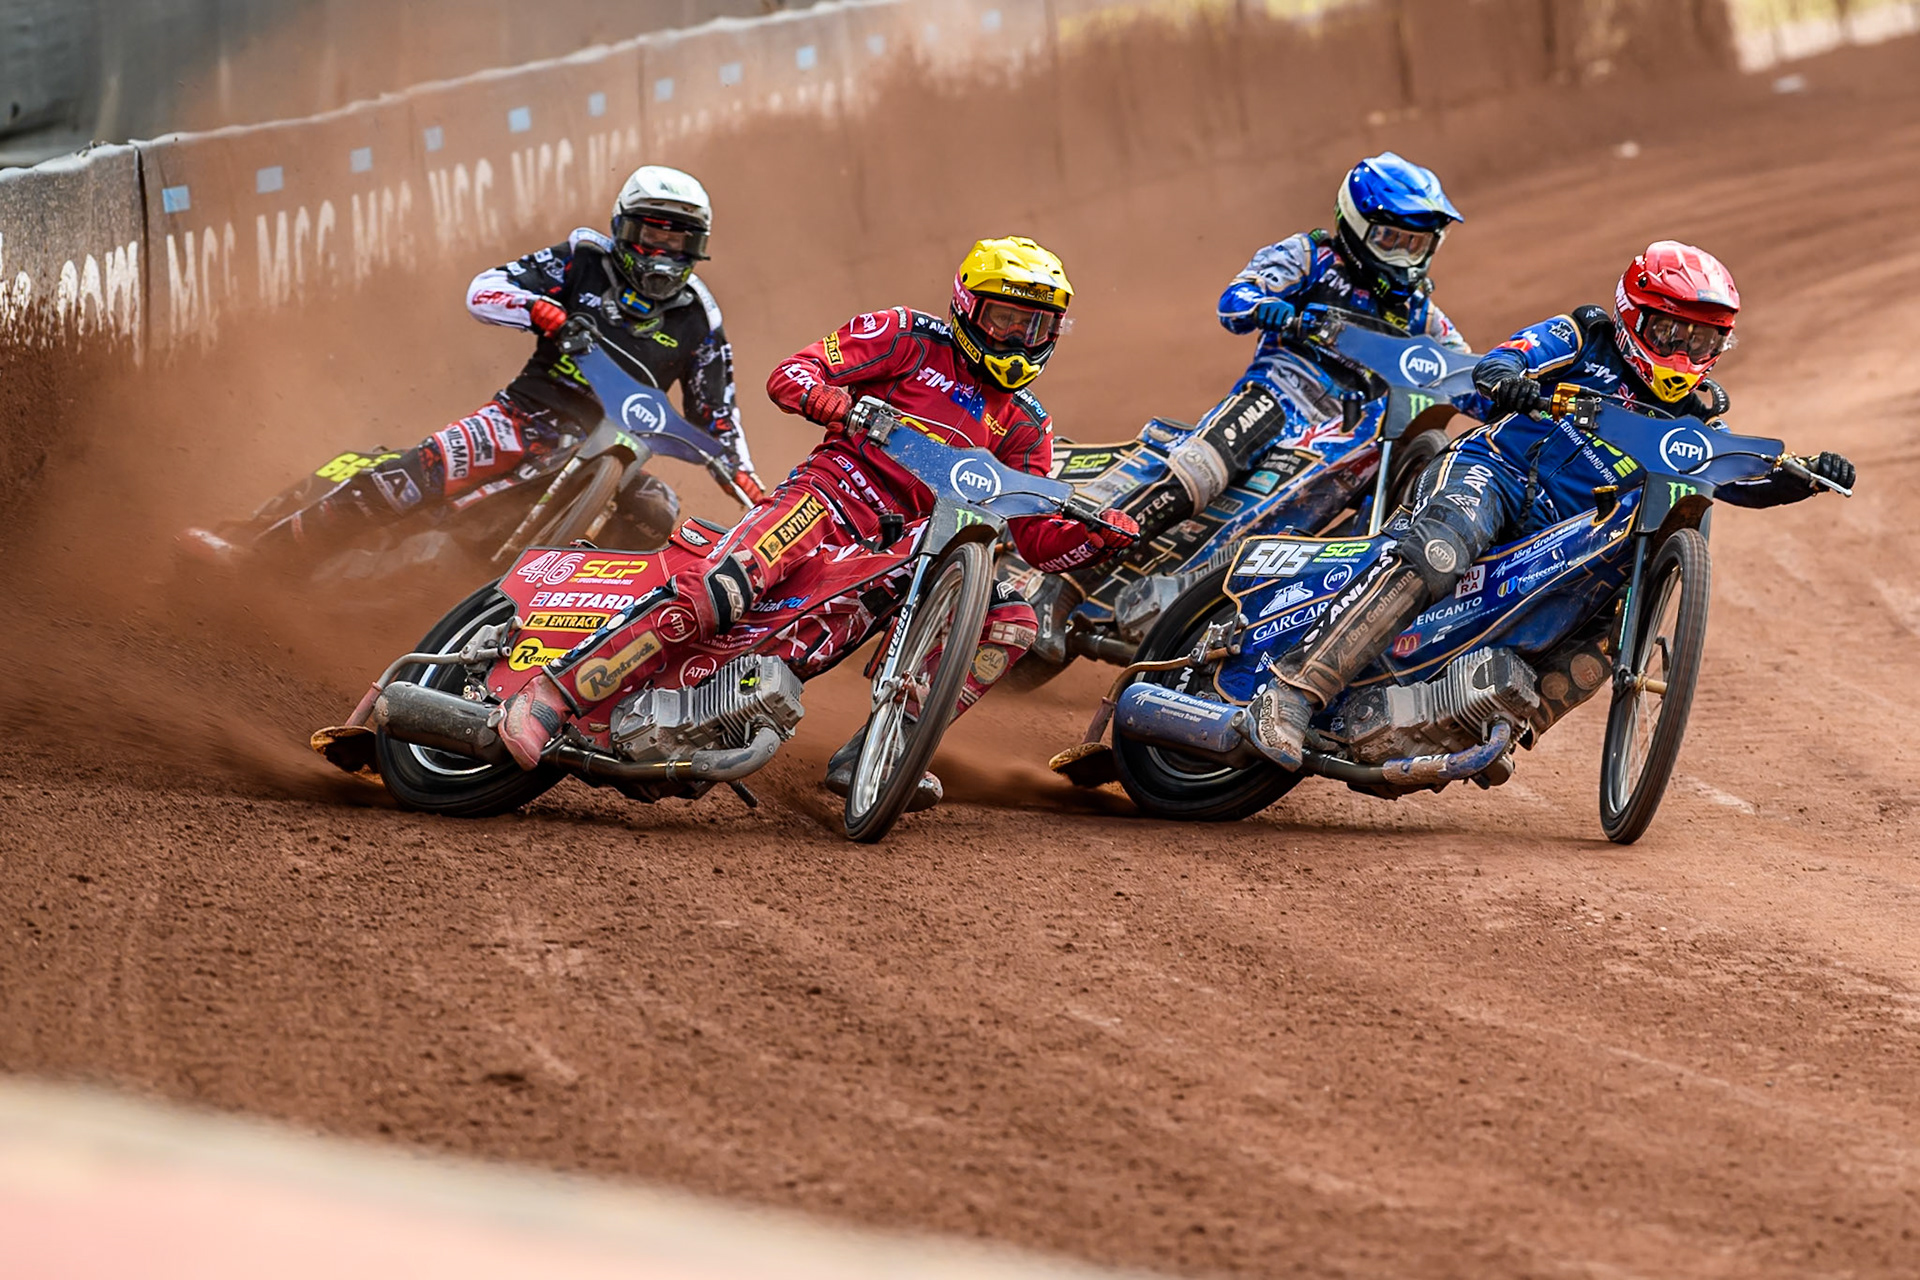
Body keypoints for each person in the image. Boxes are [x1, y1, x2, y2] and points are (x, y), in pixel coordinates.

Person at [495, 237, 1140, 808]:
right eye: (1006, 319)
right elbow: (790, 375)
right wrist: (835, 402)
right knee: (722, 589)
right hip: (825, 498)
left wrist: (1095, 538)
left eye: (1035, 325)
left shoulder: (1027, 423)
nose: (1019, 339)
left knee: (1013, 617)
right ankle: (554, 695)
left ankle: (880, 751)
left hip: (901, 553)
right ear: (970, 308)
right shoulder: (907, 336)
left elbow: (1036, 540)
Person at [1246, 239, 1857, 768]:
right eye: (1671, 332)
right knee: (1439, 550)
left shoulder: (1695, 420)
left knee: (1613, 628)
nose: (1682, 353)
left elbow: (1736, 481)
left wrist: (1803, 478)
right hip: (1495, 472)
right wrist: (1508, 378)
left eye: (1702, 340)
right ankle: (1293, 692)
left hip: (1557, 538)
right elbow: (1507, 357)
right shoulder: (1583, 337)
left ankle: (1496, 720)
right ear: (1632, 315)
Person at [180, 165, 764, 564]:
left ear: (697, 246)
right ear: (622, 230)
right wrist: (540, 309)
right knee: (405, 480)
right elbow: (485, 288)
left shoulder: (700, 318)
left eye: (679, 242)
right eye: (651, 235)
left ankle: (568, 643)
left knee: (657, 513)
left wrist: (756, 498)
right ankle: (260, 556)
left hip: (616, 454)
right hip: (525, 418)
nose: (663, 254)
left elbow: (719, 424)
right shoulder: (583, 261)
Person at [1196, 151, 1469, 462]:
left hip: (1350, 435)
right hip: (1280, 397)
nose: (1404, 258)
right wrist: (1263, 305)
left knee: (1417, 450)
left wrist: (1500, 385)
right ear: (1356, 223)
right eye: (1390, 240)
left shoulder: (1419, 312)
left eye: (1415, 245)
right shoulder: (1312, 258)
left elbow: (1461, 369)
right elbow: (1235, 298)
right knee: (1202, 467)